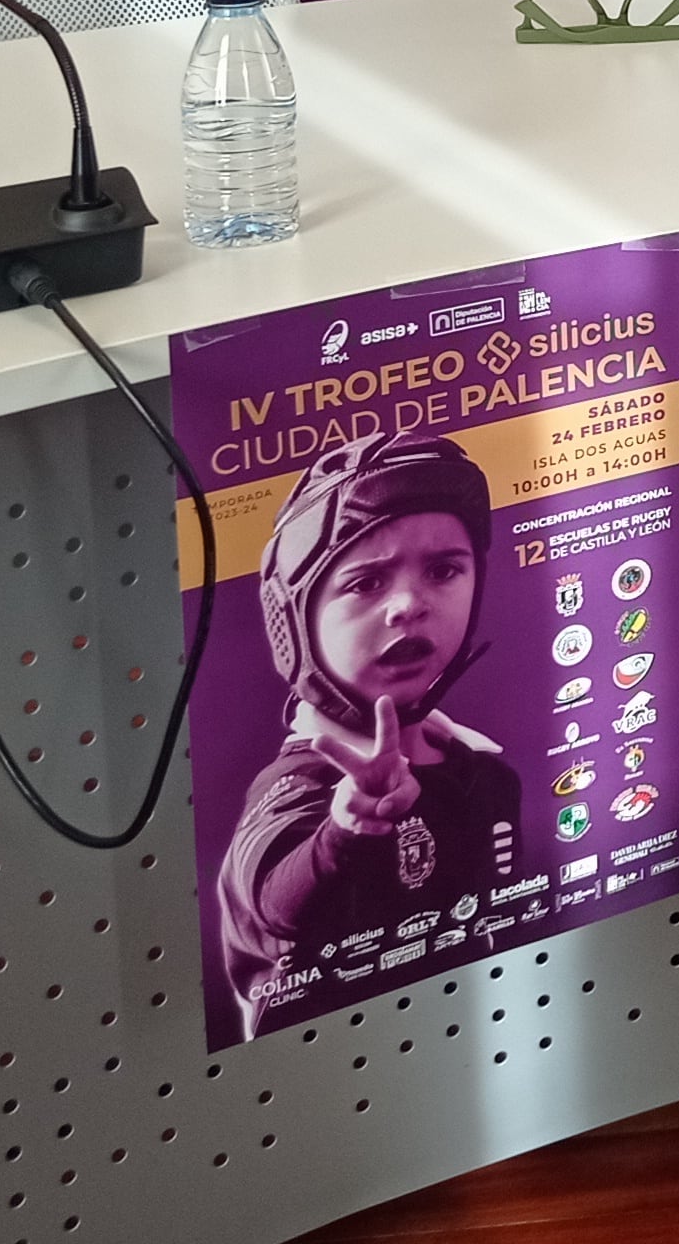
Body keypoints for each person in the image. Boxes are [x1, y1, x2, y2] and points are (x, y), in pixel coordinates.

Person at [212, 432, 525, 1038]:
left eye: (443, 570)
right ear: (294, 620)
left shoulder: (484, 775)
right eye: (366, 582)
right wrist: (345, 830)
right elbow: (274, 899)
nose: (410, 604)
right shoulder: (300, 782)